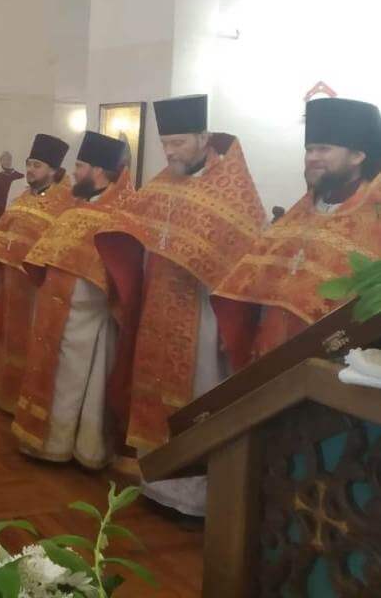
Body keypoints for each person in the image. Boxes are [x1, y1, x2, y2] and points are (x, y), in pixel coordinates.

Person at [95, 94, 265, 517]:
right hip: (157, 310)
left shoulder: (233, 191)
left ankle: (194, 500)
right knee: (152, 392)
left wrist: (234, 324)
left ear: (203, 138)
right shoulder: (164, 182)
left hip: (204, 317)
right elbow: (131, 226)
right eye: (165, 143)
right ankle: (156, 485)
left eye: (178, 143)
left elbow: (247, 262)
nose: (169, 152)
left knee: (197, 397)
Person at [212, 97, 381, 367]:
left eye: (323, 149)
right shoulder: (299, 214)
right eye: (309, 149)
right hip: (270, 360)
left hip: (332, 368)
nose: (312, 158)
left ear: (357, 156)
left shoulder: (374, 218)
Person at [17, 131, 132, 467]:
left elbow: (119, 271)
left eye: (80, 166)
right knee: (56, 377)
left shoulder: (119, 212)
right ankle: (48, 441)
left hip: (89, 316)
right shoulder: (76, 204)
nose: (74, 172)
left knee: (80, 383)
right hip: (56, 307)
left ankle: (76, 446)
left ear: (98, 170)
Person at [0, 134, 76, 413]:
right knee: (12, 339)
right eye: (29, 164)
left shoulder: (65, 203)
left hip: (39, 289)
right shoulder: (24, 197)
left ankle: (31, 400)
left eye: (37, 165)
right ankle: (9, 394)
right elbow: (4, 230)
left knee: (35, 343)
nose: (30, 170)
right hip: (12, 285)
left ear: (53, 170)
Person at [0, 150, 25, 223]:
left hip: (16, 214)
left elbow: (23, 196)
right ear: (0, 162)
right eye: (4, 159)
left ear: (11, 160)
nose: (6, 162)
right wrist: (7, 208)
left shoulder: (20, 176)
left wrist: (14, 208)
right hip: (0, 214)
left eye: (8, 159)